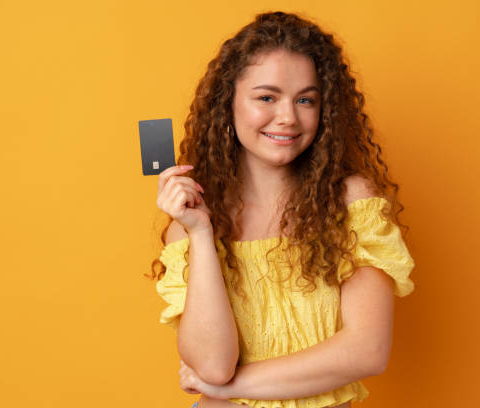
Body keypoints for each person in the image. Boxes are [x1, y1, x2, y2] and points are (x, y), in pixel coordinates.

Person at [149, 10, 415, 408]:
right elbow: (213, 366)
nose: (288, 117)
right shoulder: (189, 227)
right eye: (266, 97)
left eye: (305, 99)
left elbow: (368, 350)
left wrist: (230, 388)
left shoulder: (351, 203)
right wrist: (201, 233)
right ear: (228, 105)